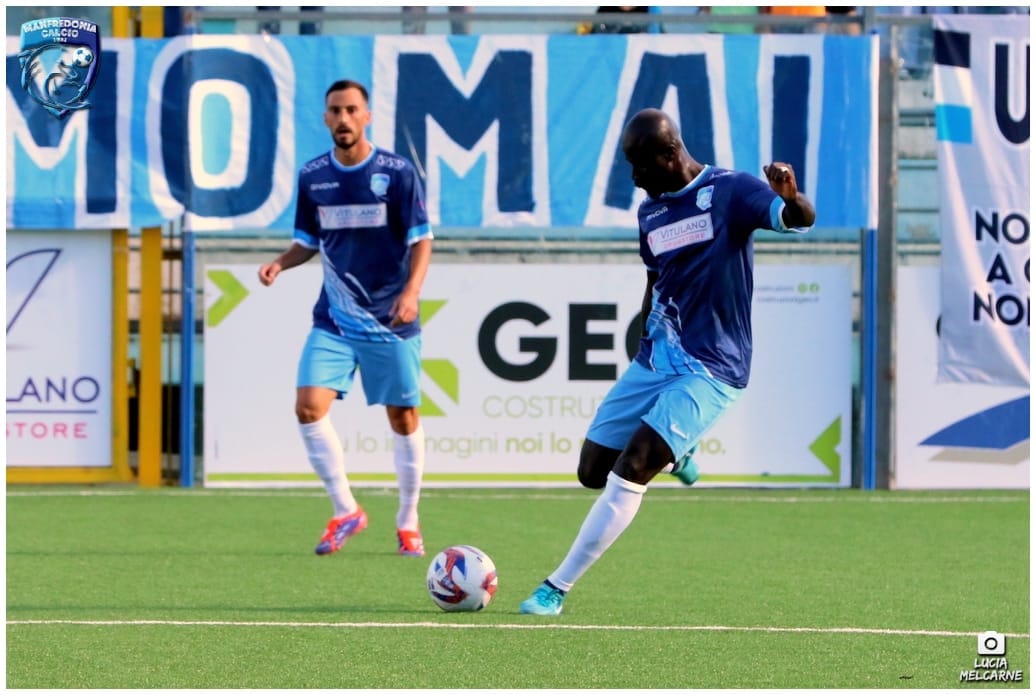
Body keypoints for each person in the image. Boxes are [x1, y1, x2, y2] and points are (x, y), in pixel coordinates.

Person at [518, 108, 815, 615]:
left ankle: (555, 588)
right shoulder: (650, 213)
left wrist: (792, 197)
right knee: (591, 471)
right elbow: (655, 280)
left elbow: (797, 219)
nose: (634, 177)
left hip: (712, 366)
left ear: (671, 152)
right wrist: (643, 341)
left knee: (634, 465)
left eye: (640, 164)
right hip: (657, 359)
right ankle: (679, 455)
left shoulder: (730, 191)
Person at [258, 79, 433, 558]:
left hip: (390, 318)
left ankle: (408, 520)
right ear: (325, 118)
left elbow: (421, 238)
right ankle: (346, 510)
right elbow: (307, 242)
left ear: (367, 116)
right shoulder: (313, 177)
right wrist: (280, 263)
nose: (343, 118)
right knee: (308, 407)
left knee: (403, 417)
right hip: (334, 319)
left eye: (352, 110)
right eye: (335, 111)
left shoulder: (397, 173)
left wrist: (412, 292)